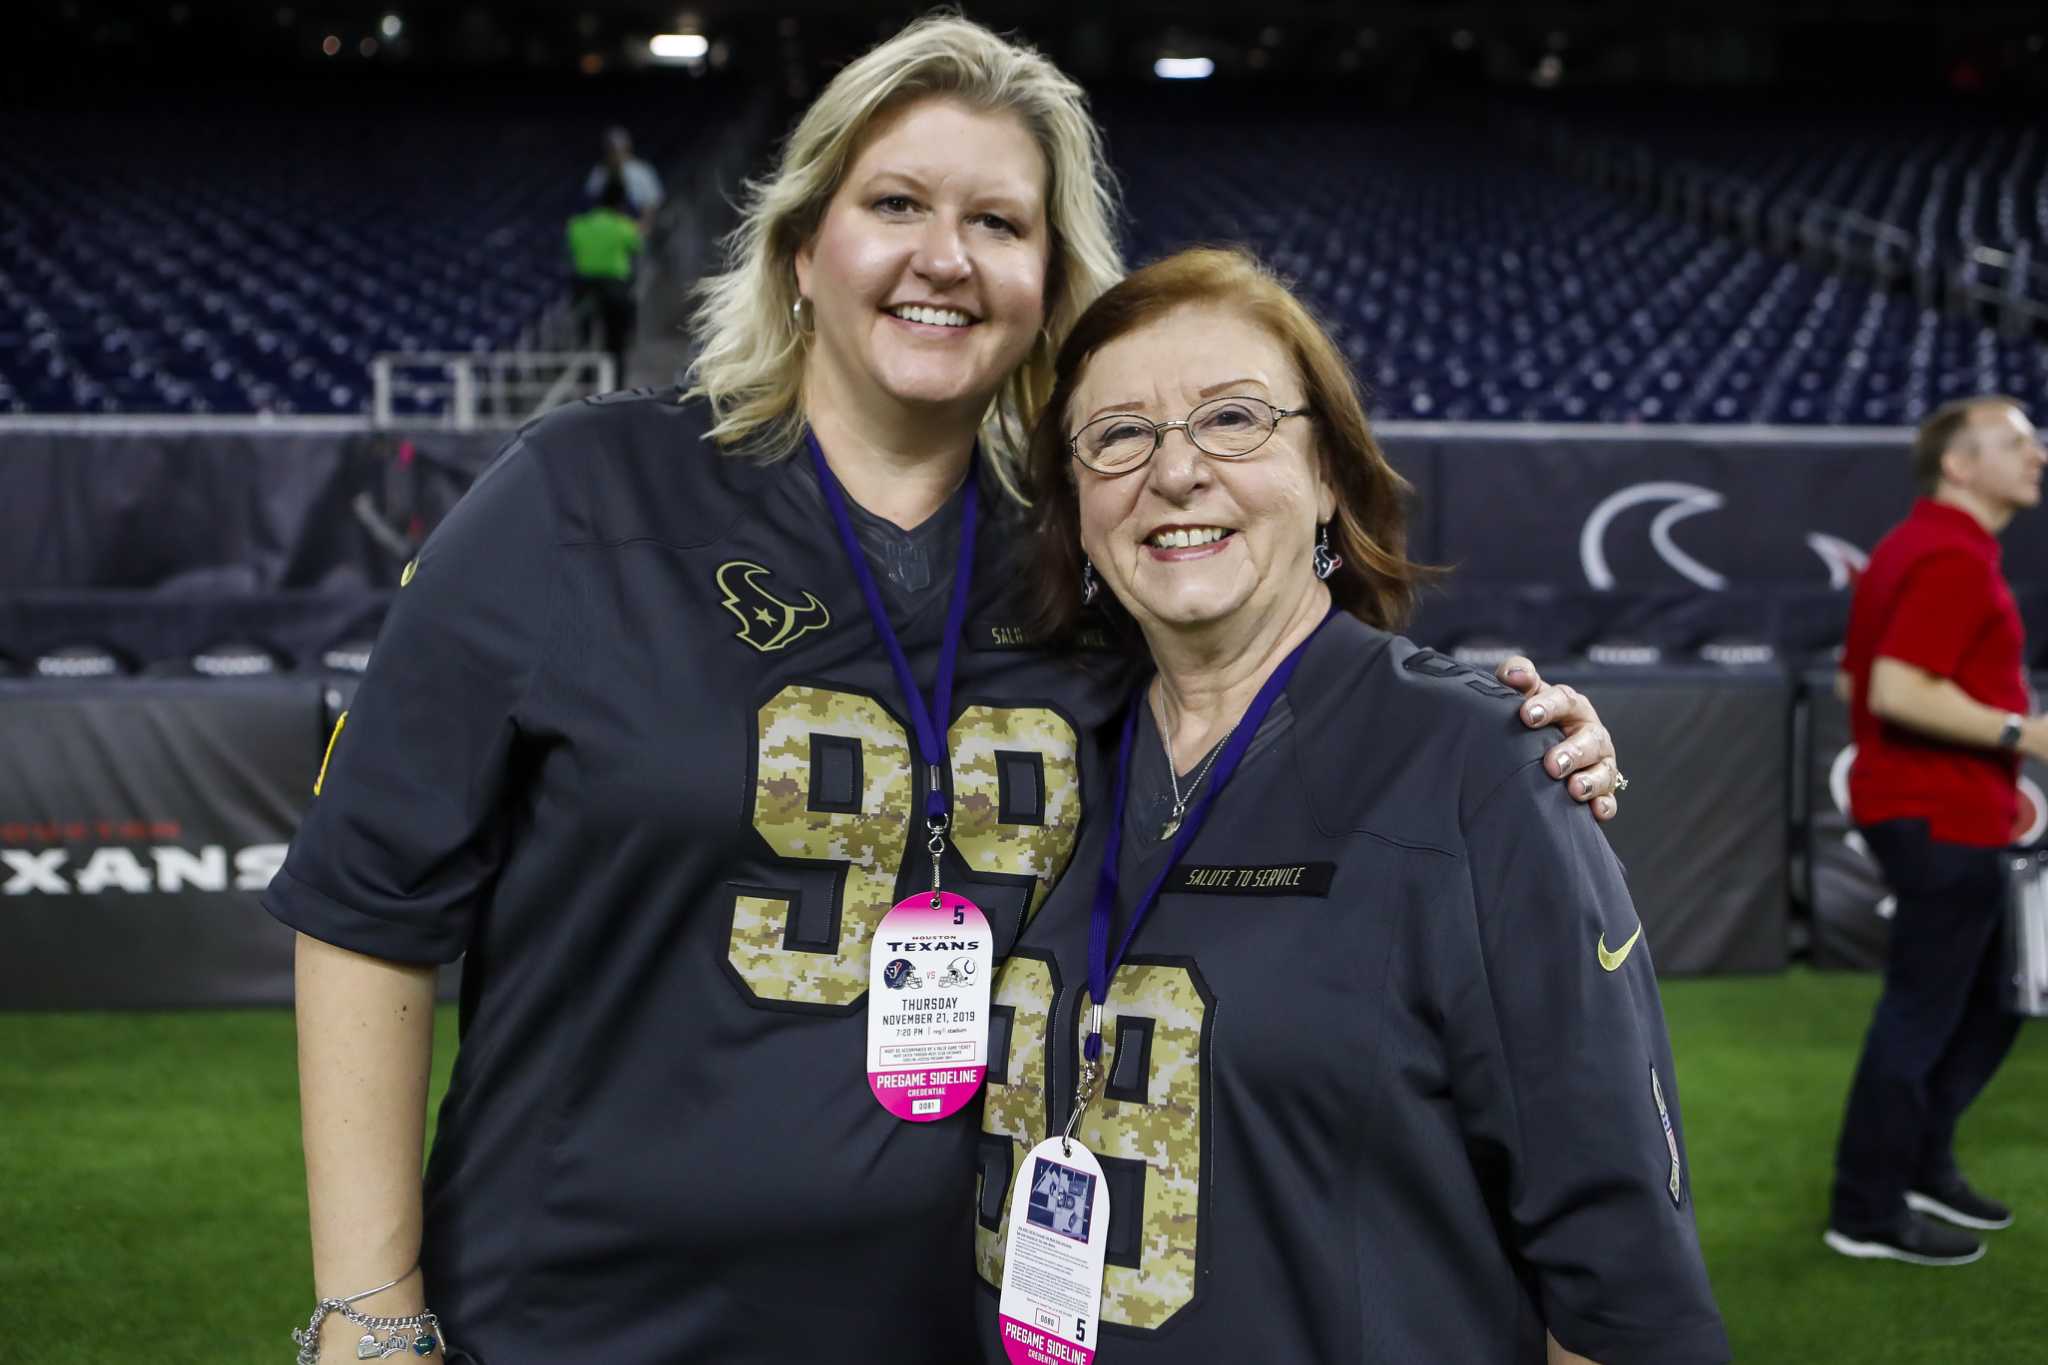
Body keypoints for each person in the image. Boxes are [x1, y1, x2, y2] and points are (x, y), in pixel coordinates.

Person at [267, 18, 1622, 1365]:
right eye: (896, 203)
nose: (944, 256)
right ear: (805, 247)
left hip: (963, 1323)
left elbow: (1283, 684)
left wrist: (1511, 740)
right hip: (585, 1314)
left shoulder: (1085, 559)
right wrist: (370, 1314)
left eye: (998, 221)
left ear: (1049, 283)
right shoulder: (580, 496)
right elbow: (367, 904)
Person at [974, 247, 1722, 1364]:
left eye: (1232, 419)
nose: (1174, 473)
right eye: (1118, 435)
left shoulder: (1480, 768)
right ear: (1076, 507)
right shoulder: (1036, 762)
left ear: (1325, 471)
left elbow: (1619, 1289)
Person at [1826, 395, 2046, 1267]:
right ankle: (1867, 1206)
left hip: (1935, 806)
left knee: (1995, 999)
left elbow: (1857, 686)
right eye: (2018, 443)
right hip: (1939, 814)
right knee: (1924, 1012)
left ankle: (1919, 1165)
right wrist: (2024, 733)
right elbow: (1893, 690)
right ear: (1959, 464)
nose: (2038, 456)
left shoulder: (1921, 547)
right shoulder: (1948, 554)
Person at [566, 175, 643, 385]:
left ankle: (584, 381)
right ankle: (616, 384)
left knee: (584, 338)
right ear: (621, 202)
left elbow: (573, 250)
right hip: (614, 288)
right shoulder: (624, 226)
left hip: (584, 287)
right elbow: (637, 247)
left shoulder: (577, 225)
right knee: (615, 343)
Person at [584, 125, 664, 231]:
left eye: (619, 148)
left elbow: (652, 204)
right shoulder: (599, 173)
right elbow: (592, 202)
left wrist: (643, 226)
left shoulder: (642, 170)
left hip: (636, 227)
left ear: (627, 147)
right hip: (608, 229)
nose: (616, 153)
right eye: (612, 148)